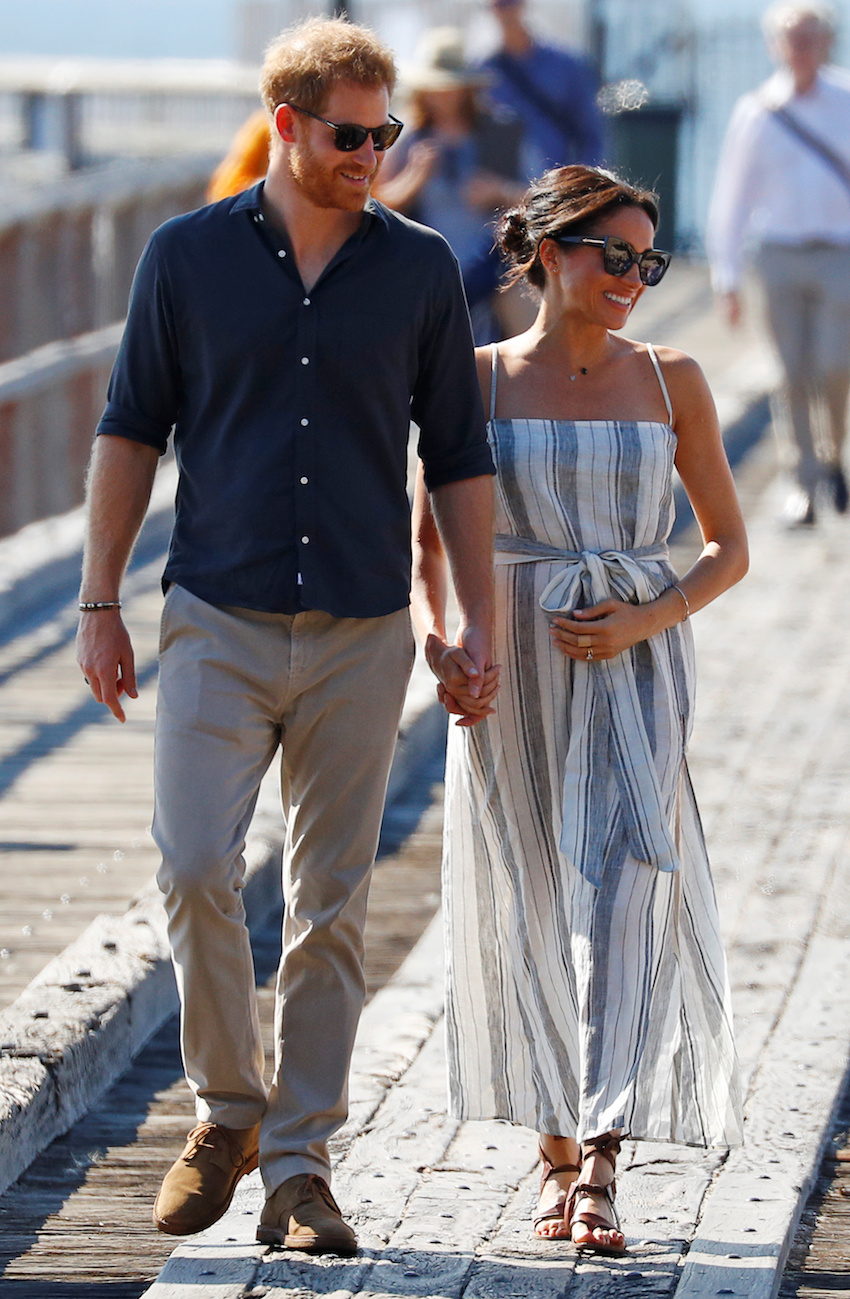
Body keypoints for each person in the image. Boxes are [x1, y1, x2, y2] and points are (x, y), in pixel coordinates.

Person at [76, 16, 495, 1257]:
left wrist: (467, 618)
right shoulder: (186, 257)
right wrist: (99, 602)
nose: (374, 154)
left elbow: (459, 457)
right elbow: (128, 428)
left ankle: (300, 1170)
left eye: (389, 133)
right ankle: (225, 1111)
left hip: (363, 628)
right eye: (352, 135)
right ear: (288, 125)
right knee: (196, 865)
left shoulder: (418, 269)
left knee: (330, 906)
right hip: (217, 614)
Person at [411, 165, 746, 1253]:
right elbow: (429, 545)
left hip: (637, 664)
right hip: (509, 665)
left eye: (647, 262)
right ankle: (553, 1143)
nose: (634, 280)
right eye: (615, 257)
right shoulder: (477, 379)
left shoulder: (673, 378)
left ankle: (600, 1157)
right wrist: (441, 640)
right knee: (524, 900)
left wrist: (642, 623)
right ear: (550, 252)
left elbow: (725, 549)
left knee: (627, 895)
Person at [708, 2, 850, 527]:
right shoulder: (757, 110)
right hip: (780, 253)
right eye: (792, 38)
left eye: (811, 37)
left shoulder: (846, 100)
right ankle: (804, 481)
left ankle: (835, 453)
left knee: (837, 367)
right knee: (790, 373)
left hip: (840, 251)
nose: (801, 48)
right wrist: (727, 276)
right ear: (776, 46)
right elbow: (732, 197)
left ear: (827, 42)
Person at [373, 26, 525, 341]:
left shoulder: (502, 133)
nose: (443, 95)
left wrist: (500, 191)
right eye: (435, 87)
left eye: (451, 87)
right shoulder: (408, 137)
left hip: (493, 273)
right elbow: (377, 205)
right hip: (424, 279)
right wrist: (415, 178)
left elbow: (542, 198)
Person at [479, 0, 605, 180]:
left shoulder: (566, 65)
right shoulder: (481, 71)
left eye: (510, 2)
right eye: (499, 4)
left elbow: (592, 136)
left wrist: (583, 187)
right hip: (503, 196)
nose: (506, 11)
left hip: (558, 188)